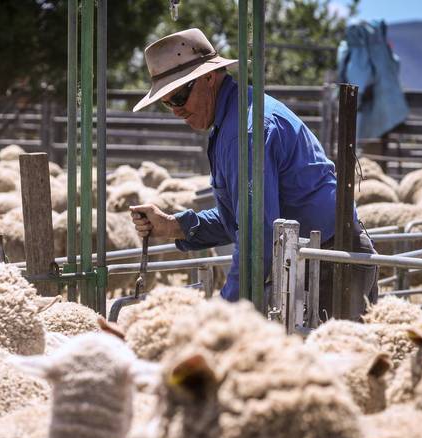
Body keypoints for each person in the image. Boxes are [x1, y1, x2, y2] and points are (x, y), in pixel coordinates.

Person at [129, 28, 377, 319]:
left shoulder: (244, 132)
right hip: (312, 261)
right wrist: (175, 226)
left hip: (331, 264)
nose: (176, 110)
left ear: (209, 78)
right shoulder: (230, 124)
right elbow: (242, 219)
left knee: (329, 361)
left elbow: (256, 241)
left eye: (180, 96)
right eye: (167, 101)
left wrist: (222, 315)